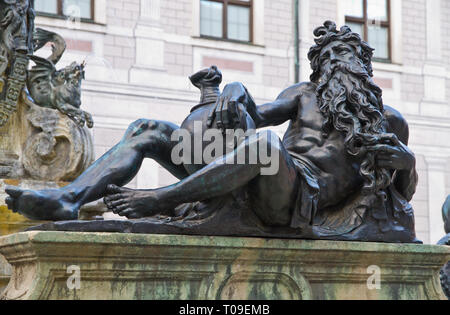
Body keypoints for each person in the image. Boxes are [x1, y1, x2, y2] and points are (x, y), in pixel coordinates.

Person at [5, 21, 418, 241]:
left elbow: (401, 196)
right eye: (329, 58)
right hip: (255, 171)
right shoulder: (303, 94)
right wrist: (236, 90)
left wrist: (408, 163)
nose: (337, 64)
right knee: (149, 129)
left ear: (364, 66)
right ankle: (69, 198)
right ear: (319, 68)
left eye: (346, 56)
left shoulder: (387, 119)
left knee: (266, 147)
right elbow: (255, 113)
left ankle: (158, 200)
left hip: (296, 202)